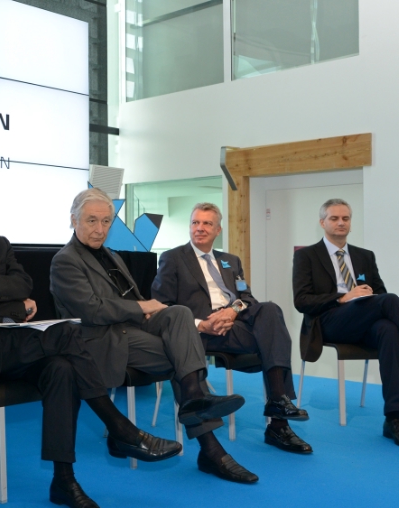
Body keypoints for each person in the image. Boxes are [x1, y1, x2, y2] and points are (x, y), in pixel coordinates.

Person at [0, 165, 184, 508]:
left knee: (61, 368)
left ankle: (64, 480)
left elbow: (24, 283)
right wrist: (14, 303)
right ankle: (119, 428)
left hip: (8, 342)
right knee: (69, 332)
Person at [50, 189, 258, 484]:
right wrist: (141, 307)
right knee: (181, 356)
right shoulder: (65, 260)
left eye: (106, 221)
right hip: (100, 338)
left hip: (130, 327)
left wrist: (145, 309)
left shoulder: (110, 255)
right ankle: (210, 444)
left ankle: (195, 399)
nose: (100, 229)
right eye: (92, 221)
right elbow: (91, 310)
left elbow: (130, 299)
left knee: (180, 313)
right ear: (74, 220)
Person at [151, 202, 312, 454]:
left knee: (270, 310)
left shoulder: (230, 261)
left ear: (218, 230)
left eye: (207, 223)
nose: (200, 228)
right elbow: (163, 305)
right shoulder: (173, 258)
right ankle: (279, 424)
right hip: (198, 333)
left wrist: (231, 311)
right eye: (195, 223)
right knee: (273, 340)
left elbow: (247, 299)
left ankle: (277, 404)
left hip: (233, 324)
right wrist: (201, 324)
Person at [293, 198, 399, 445]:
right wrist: (342, 297)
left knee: (389, 330)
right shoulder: (307, 256)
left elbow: (379, 293)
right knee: (391, 300)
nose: (341, 223)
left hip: (362, 320)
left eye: (345, 218)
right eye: (334, 218)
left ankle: (394, 417)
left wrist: (365, 297)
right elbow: (301, 301)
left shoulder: (365, 256)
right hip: (330, 321)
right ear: (323, 222)